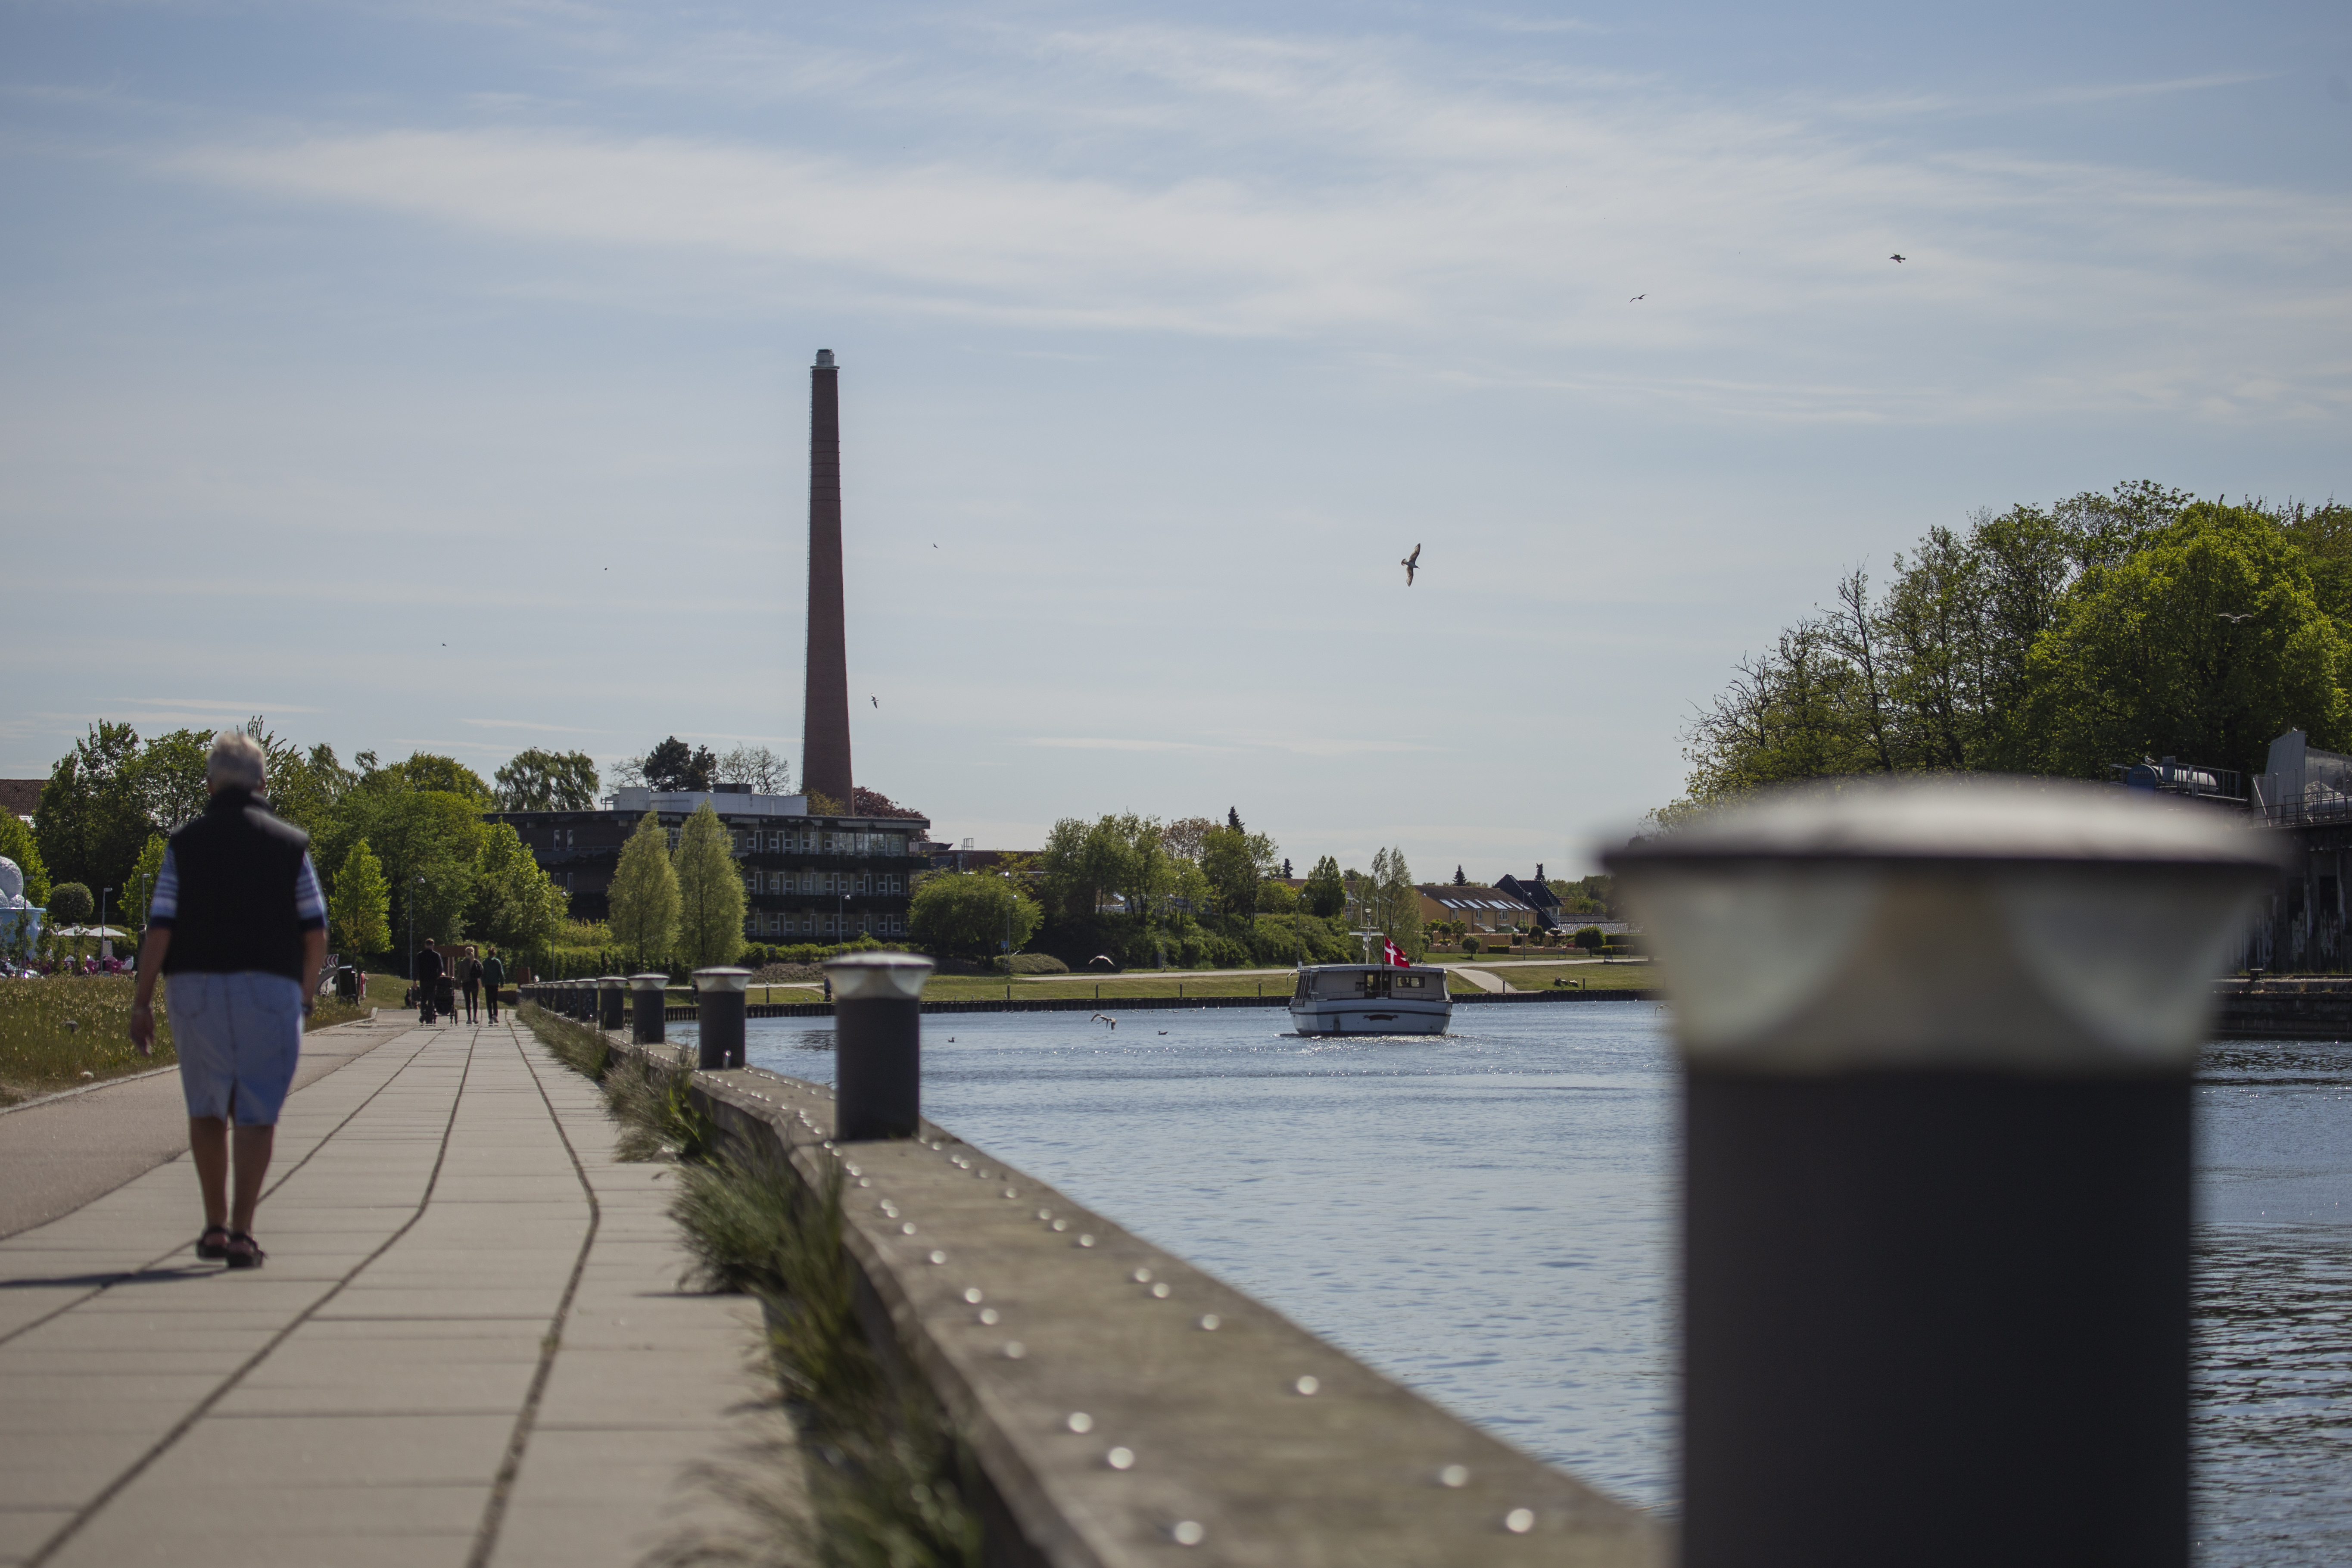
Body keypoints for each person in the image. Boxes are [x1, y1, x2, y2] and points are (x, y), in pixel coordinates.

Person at [128, 730, 328, 1271]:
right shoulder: (292, 845)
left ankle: (214, 1226)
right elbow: (315, 930)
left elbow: (161, 928)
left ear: (210, 784)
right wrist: (305, 997)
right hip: (272, 988)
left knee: (207, 1107)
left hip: (196, 988)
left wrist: (141, 1001)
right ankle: (243, 1232)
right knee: (258, 1112)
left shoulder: (183, 844)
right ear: (263, 783)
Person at [416, 939, 443, 1024]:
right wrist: (437, 976)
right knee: (431, 999)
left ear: (425, 945)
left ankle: (424, 1013)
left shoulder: (420, 955)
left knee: (423, 998)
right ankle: (429, 1018)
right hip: (433, 980)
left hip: (423, 980)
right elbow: (440, 968)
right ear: (433, 945)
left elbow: (416, 968)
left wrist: (415, 980)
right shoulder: (436, 955)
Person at [482, 947, 506, 1023]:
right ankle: (495, 1015)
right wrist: (502, 983)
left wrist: (483, 983)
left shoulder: (485, 962)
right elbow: (501, 973)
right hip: (495, 983)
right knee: (495, 1000)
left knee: (489, 1001)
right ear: (494, 954)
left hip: (488, 983)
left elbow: (483, 974)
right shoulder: (497, 962)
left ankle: (491, 1018)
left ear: (488, 954)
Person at [460, 950, 482, 1024]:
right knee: (475, 1000)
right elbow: (481, 971)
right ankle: (475, 1017)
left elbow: (460, 974)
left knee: (468, 1001)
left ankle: (469, 1018)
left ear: (466, 953)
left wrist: (459, 983)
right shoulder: (476, 962)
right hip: (474, 983)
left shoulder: (462, 963)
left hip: (466, 984)